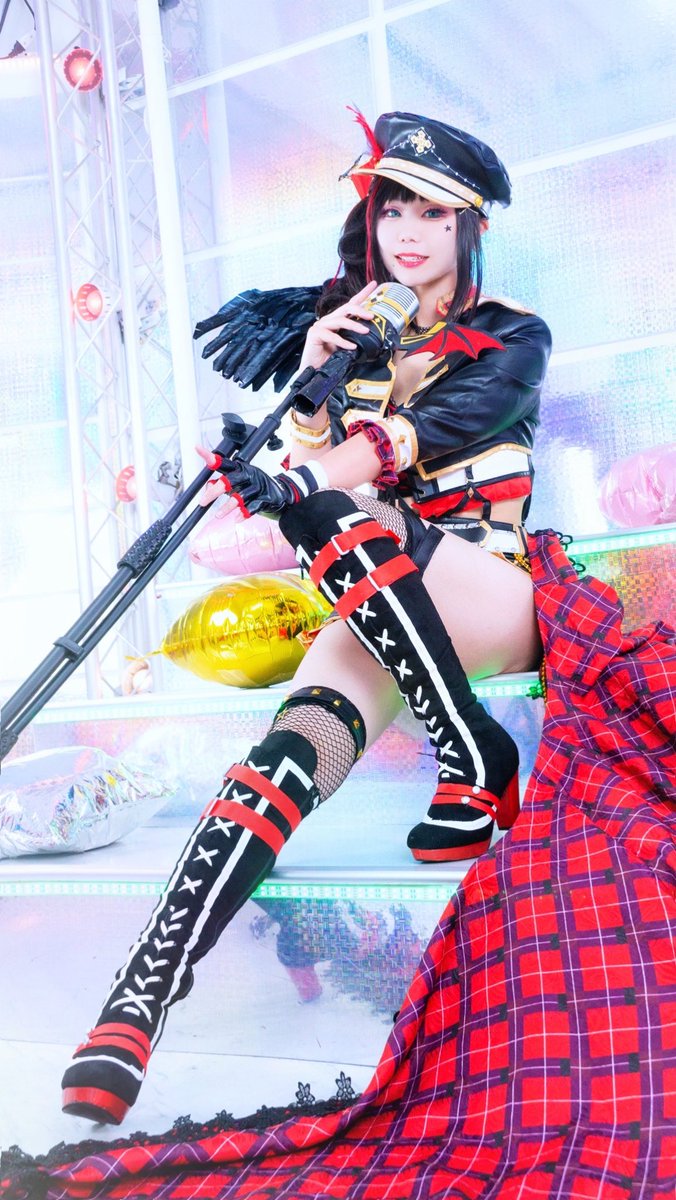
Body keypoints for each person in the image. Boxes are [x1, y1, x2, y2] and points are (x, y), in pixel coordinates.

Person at [60, 110, 551, 1125]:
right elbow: (315, 476)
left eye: (433, 213)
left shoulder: (512, 335)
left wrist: (310, 473)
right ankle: (140, 997)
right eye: (393, 209)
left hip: (489, 592)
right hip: (378, 603)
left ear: (469, 228)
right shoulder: (352, 345)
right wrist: (314, 389)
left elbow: (416, 440)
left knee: (333, 509)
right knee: (284, 758)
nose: (407, 231)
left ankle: (471, 747)